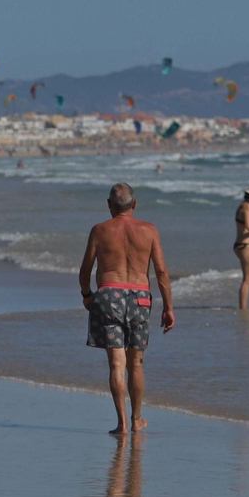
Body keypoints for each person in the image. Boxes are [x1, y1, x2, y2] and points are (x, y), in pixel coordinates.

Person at [78, 183, 175, 435]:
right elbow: (161, 271)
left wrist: (87, 295)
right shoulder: (149, 230)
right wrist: (168, 307)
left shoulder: (99, 230)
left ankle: (121, 423)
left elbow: (85, 270)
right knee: (137, 363)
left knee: (116, 364)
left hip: (108, 295)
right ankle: (136, 419)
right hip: (141, 298)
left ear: (109, 205)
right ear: (135, 204)